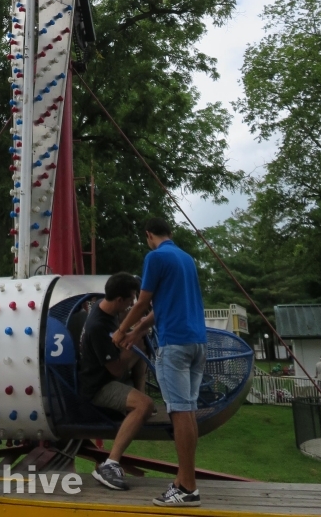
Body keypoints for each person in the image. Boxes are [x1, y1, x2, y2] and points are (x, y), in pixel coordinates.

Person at [113, 217, 206, 508]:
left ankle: (188, 489)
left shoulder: (155, 257)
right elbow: (161, 308)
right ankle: (183, 480)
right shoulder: (186, 259)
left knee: (178, 413)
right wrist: (136, 331)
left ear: (148, 234)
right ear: (172, 233)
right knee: (187, 410)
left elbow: (142, 302)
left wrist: (119, 331)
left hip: (174, 345)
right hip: (197, 343)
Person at [78, 272, 155, 490]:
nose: (133, 303)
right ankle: (110, 464)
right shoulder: (97, 327)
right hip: (99, 387)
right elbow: (116, 369)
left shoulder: (106, 308)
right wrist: (136, 343)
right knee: (144, 406)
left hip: (108, 374)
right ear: (119, 300)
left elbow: (124, 324)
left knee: (138, 346)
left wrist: (136, 327)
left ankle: (140, 395)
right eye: (131, 299)